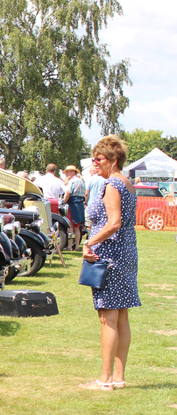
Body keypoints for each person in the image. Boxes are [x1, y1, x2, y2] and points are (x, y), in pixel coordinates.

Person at [80, 136, 139, 391]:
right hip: (127, 253)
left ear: (114, 160)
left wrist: (89, 242)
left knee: (108, 318)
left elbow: (113, 223)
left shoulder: (112, 185)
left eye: (100, 159)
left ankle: (105, 380)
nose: (95, 163)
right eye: (94, 159)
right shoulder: (127, 183)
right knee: (121, 316)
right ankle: (119, 377)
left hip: (111, 256)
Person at [61, 164, 87, 241]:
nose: (66, 174)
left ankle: (69, 245)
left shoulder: (72, 181)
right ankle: (77, 246)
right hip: (80, 204)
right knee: (77, 226)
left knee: (70, 226)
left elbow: (68, 193)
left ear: (73, 172)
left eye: (68, 172)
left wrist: (63, 202)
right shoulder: (81, 181)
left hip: (72, 204)